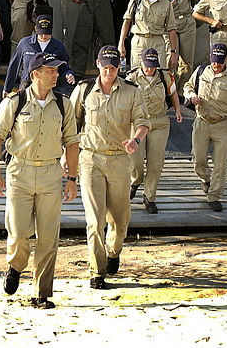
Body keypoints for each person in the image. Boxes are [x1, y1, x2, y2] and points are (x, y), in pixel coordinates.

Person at [0, 52, 79, 309]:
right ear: (34, 73)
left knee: (49, 237)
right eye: (50, 70)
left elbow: (72, 142)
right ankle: (15, 266)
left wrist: (72, 179)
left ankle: (41, 292)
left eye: (57, 70)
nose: (56, 74)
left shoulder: (63, 104)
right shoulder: (14, 103)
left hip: (51, 174)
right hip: (20, 173)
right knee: (18, 234)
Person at [70, 45, 149, 289]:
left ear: (118, 68)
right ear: (98, 64)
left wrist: (135, 140)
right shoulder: (83, 91)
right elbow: (70, 126)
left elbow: (143, 122)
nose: (108, 71)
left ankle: (113, 252)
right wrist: (67, 157)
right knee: (94, 220)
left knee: (120, 218)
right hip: (91, 158)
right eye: (105, 66)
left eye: (113, 67)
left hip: (119, 159)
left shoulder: (132, 92)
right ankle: (97, 271)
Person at [183, 44, 227, 212]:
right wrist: (191, 96)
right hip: (201, 122)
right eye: (214, 62)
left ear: (226, 60)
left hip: (221, 125)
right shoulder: (201, 71)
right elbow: (187, 86)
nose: (216, 66)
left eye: (219, 63)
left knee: (220, 164)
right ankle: (206, 179)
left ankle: (214, 196)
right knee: (198, 160)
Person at [126, 48, 182, 214]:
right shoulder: (131, 78)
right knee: (135, 160)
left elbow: (173, 94)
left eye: (153, 65)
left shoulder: (165, 77)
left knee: (155, 162)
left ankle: (149, 197)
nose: (150, 69)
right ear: (141, 62)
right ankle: (135, 181)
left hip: (159, 122)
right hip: (137, 122)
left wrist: (178, 110)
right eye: (147, 65)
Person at [118, 0, 178, 71]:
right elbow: (127, 21)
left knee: (160, 73)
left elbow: (171, 29)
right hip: (139, 41)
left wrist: (173, 52)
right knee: (136, 73)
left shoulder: (166, 3)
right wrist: (121, 43)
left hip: (157, 40)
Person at [3, 14, 75, 97]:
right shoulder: (25, 43)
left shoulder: (59, 46)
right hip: (27, 85)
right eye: (41, 33)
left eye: (47, 33)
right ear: (36, 29)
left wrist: (69, 74)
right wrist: (7, 88)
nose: (44, 36)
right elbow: (14, 66)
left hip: (50, 88)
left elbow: (65, 68)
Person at [160, 0, 200, 97]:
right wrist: (169, 4)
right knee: (171, 59)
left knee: (187, 61)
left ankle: (183, 91)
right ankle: (170, 90)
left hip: (186, 22)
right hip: (170, 23)